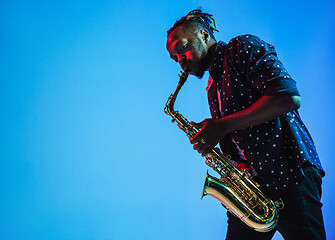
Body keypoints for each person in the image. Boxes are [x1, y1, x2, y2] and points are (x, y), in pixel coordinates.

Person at [166, 9, 326, 240]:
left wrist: (221, 126)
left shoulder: (240, 47)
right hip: (255, 190)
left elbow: (287, 98)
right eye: (175, 58)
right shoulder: (213, 85)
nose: (181, 61)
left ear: (203, 34)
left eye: (182, 48)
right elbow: (241, 137)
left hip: (291, 173)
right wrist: (237, 165)